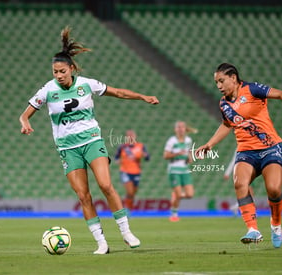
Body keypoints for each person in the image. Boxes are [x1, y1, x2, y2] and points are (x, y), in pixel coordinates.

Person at [19, 26, 159, 254]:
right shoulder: (47, 90)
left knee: (105, 185)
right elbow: (25, 113)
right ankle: (101, 242)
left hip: (92, 141)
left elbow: (118, 93)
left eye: (62, 71)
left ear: (71, 69)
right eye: (55, 72)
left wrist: (142, 96)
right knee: (84, 196)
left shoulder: (87, 84)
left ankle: (126, 232)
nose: (58, 75)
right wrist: (25, 122)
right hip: (67, 148)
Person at [196, 63, 282, 248]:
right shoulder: (224, 103)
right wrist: (209, 144)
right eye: (216, 83)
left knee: (274, 189)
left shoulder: (252, 89)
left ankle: (276, 225)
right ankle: (253, 229)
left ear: (233, 77)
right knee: (239, 183)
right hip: (246, 151)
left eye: (221, 81)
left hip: (270, 148)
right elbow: (227, 125)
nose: (219, 86)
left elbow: (280, 94)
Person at [163, 121, 198, 222]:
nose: (181, 129)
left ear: (185, 129)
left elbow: (189, 153)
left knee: (190, 195)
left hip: (185, 169)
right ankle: (174, 214)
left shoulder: (188, 140)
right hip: (174, 169)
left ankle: (175, 196)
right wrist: (177, 153)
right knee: (178, 195)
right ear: (175, 129)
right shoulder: (172, 141)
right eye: (178, 127)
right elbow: (165, 156)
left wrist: (190, 158)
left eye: (182, 127)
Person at [114, 129, 150, 212]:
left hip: (136, 172)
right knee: (130, 192)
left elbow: (147, 158)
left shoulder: (140, 146)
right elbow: (116, 158)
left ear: (135, 136)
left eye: (132, 135)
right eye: (128, 135)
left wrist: (144, 155)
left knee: (133, 193)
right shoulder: (122, 147)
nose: (130, 137)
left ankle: (129, 209)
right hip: (125, 171)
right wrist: (120, 161)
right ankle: (127, 210)